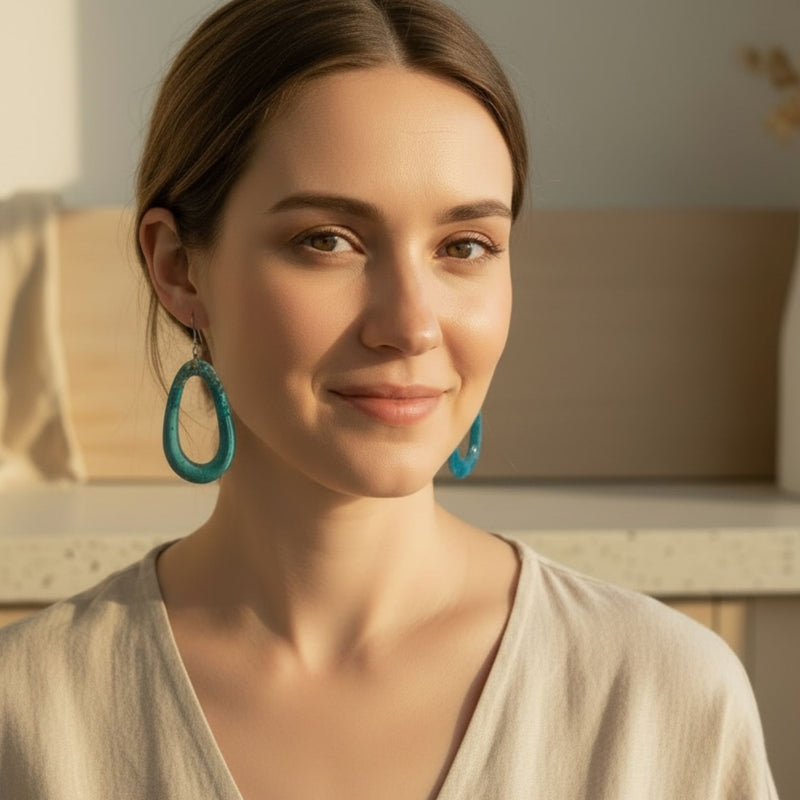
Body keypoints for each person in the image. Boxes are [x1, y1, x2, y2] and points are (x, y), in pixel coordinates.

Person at [0, 0, 780, 797]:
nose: (410, 325)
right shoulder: (29, 718)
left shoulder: (661, 701)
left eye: (464, 246)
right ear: (178, 268)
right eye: (327, 241)